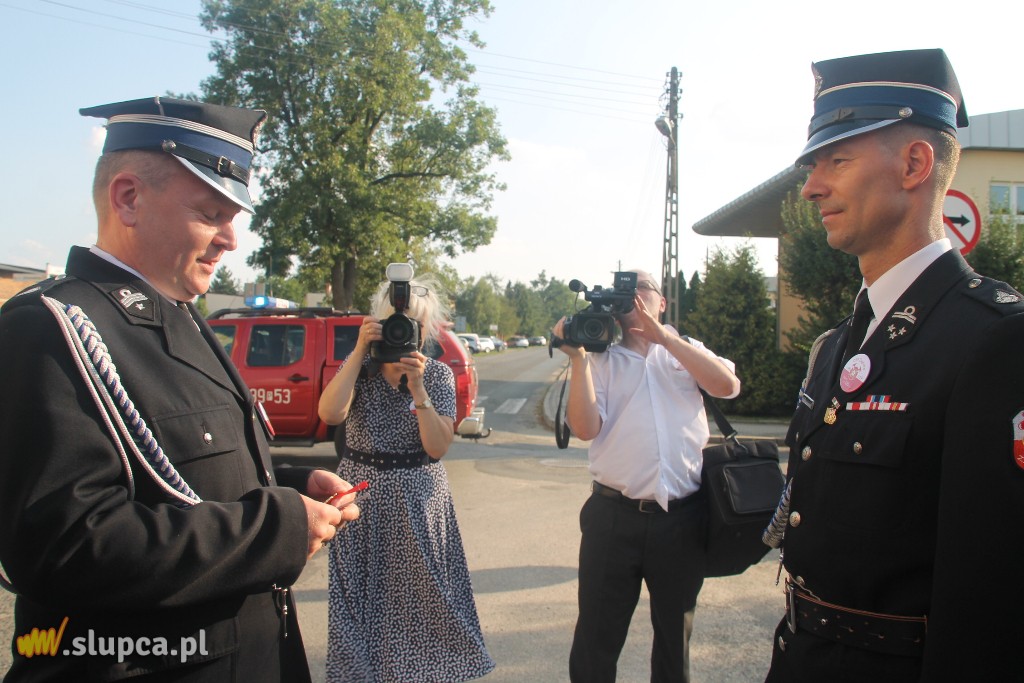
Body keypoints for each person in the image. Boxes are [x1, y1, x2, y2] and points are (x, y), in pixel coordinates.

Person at [0, 96, 361, 682]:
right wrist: (279, 528)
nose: (230, 240)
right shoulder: (48, 328)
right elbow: (66, 549)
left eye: (233, 218)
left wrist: (292, 483)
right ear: (128, 198)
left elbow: (177, 472)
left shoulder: (184, 316)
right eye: (211, 213)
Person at [766, 49, 1024, 682]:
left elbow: (995, 599)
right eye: (812, 164)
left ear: (915, 164)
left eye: (837, 160)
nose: (812, 186)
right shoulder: (837, 344)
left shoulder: (996, 339)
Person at [551, 270, 741, 683]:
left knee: (675, 639)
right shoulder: (600, 359)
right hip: (612, 518)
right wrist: (579, 357)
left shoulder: (685, 349)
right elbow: (585, 429)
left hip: (681, 519)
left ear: (661, 302)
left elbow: (727, 386)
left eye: (640, 290)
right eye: (624, 293)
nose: (632, 299)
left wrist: (666, 339)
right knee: (596, 638)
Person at [318, 272, 494, 682]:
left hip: (418, 499)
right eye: (392, 321)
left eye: (409, 324)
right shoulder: (359, 368)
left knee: (426, 602)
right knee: (358, 604)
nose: (400, 332)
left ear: (423, 329)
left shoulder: (436, 375)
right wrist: (360, 350)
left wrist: (418, 389)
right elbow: (329, 414)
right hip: (360, 501)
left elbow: (437, 446)